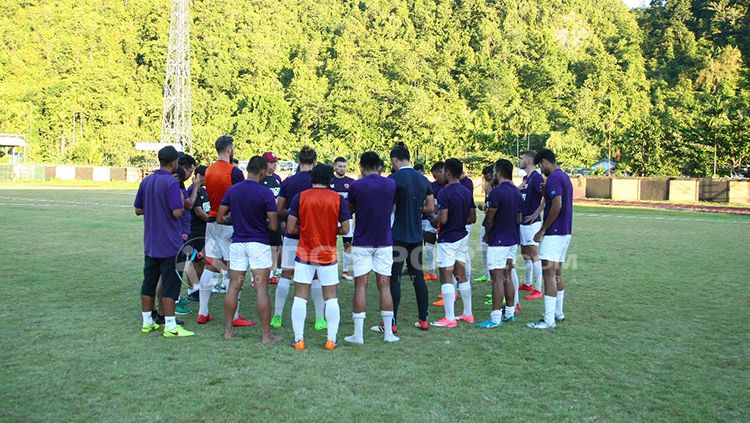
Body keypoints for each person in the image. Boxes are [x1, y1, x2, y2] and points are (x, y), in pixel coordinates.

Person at [217, 156, 281, 344]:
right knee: (261, 289)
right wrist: (264, 222)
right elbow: (274, 225)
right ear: (262, 171)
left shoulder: (233, 190)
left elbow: (220, 217)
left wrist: (235, 220)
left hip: (237, 243)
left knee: (233, 287)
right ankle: (266, 335)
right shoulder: (265, 192)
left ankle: (228, 331)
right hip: (258, 244)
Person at [287, 164, 351, 350]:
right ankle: (331, 340)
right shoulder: (338, 199)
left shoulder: (300, 197)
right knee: (331, 298)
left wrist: (306, 231)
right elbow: (346, 229)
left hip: (304, 254)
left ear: (311, 178)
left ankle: (299, 340)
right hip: (328, 254)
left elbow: (291, 228)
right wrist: (332, 231)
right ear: (330, 178)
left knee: (300, 297)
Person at [134, 145, 194, 337]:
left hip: (151, 242)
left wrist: (155, 208)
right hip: (170, 242)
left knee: (149, 282)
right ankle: (170, 326)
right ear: (174, 162)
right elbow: (177, 211)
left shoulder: (147, 180)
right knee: (170, 284)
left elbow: (138, 209)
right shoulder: (171, 184)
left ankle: (147, 322)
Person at [196, 135, 255, 328]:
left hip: (212, 221)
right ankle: (235, 315)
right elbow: (239, 197)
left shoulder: (209, 170)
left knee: (211, 265)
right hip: (229, 222)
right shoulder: (234, 172)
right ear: (229, 150)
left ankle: (203, 312)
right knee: (234, 268)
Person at [343, 152, 399, 344]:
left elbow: (349, 211)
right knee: (384, 285)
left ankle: (358, 335)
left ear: (361, 166)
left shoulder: (357, 186)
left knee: (361, 285)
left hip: (362, 242)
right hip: (384, 241)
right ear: (380, 166)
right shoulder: (391, 184)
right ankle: (388, 333)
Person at [273, 146, 326, 331]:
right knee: (317, 276)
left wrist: (291, 216)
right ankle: (320, 318)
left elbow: (278, 208)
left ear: (298, 161)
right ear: (315, 161)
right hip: (314, 237)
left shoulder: (289, 182)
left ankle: (277, 315)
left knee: (286, 274)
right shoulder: (319, 182)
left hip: (292, 234)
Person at [382, 143, 434, 332]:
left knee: (394, 277)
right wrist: (417, 210)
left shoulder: (393, 179)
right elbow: (431, 207)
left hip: (397, 234)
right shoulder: (423, 180)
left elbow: (387, 206)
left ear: (395, 160)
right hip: (415, 234)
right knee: (417, 277)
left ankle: (393, 322)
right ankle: (423, 318)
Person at [528, 149, 573, 330]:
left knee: (549, 275)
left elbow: (557, 204)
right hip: (565, 232)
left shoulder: (554, 178)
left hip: (554, 233)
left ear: (546, 162)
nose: (541, 170)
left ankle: (548, 320)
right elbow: (553, 200)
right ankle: (558, 313)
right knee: (557, 274)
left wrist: (542, 230)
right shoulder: (563, 176)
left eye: (541, 165)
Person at [431, 158, 476, 327]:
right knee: (462, 275)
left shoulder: (444, 192)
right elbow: (472, 217)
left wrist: (432, 216)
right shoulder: (466, 191)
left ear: (448, 172)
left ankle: (449, 318)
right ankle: (467, 313)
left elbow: (442, 219)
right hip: (462, 236)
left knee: (446, 276)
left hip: (448, 239)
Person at [477, 159, 521, 328]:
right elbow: (518, 218)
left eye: (494, 172)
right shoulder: (516, 192)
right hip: (512, 239)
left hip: (499, 241)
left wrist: (488, 235)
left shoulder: (497, 192)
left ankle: (495, 318)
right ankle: (509, 313)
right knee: (508, 275)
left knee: (497, 279)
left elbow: (489, 219)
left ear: (500, 172)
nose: (492, 175)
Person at [517, 151, 545, 300]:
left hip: (531, 223)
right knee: (525, 254)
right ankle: (527, 283)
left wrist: (536, 213)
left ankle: (537, 289)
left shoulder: (536, 178)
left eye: (521, 158)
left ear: (527, 161)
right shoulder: (526, 178)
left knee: (534, 255)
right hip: (523, 222)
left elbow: (546, 197)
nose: (519, 161)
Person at [185, 165, 210, 302]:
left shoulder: (204, 191)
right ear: (200, 176)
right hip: (195, 231)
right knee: (195, 261)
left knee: (201, 261)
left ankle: (198, 287)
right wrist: (214, 221)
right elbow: (199, 212)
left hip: (204, 231)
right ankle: (192, 290)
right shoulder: (192, 191)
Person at [330, 157, 355, 281]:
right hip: (332, 218)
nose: (342, 169)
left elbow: (354, 202)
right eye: (339, 166)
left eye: (344, 166)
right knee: (331, 244)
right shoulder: (329, 182)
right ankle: (332, 269)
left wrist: (350, 213)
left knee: (348, 244)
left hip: (347, 218)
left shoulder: (351, 182)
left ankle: (345, 271)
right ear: (334, 166)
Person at [260, 151, 283, 285]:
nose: (274, 165)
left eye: (275, 162)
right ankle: (255, 277)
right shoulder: (260, 178)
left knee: (275, 246)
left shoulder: (277, 178)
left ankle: (272, 274)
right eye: (271, 162)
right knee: (262, 247)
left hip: (275, 217)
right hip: (262, 218)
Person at [422, 161, 444, 282]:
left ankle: (445, 272)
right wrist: (432, 215)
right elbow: (427, 202)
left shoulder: (448, 186)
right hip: (431, 219)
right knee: (429, 247)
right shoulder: (432, 186)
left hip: (444, 222)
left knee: (443, 249)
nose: (435, 178)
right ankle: (431, 272)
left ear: (443, 171)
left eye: (436, 175)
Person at [474, 165, 495, 284]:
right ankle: (487, 274)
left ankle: (492, 276)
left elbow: (495, 209)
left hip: (494, 224)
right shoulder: (488, 189)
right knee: (484, 249)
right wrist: (484, 207)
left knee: (492, 252)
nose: (487, 181)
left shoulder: (496, 189)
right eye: (485, 179)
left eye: (489, 178)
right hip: (486, 222)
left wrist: (486, 208)